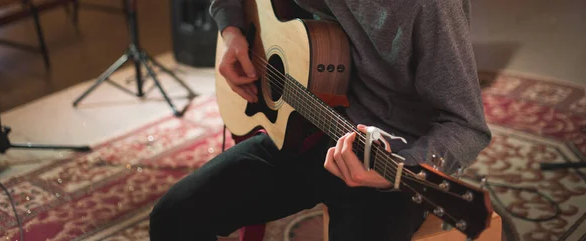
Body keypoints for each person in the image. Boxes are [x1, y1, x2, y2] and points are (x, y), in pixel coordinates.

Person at [149, 0, 492, 240]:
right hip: (305, 124)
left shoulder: (429, 6)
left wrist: (406, 166)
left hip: (388, 157)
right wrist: (232, 31)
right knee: (174, 215)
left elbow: (467, 125)